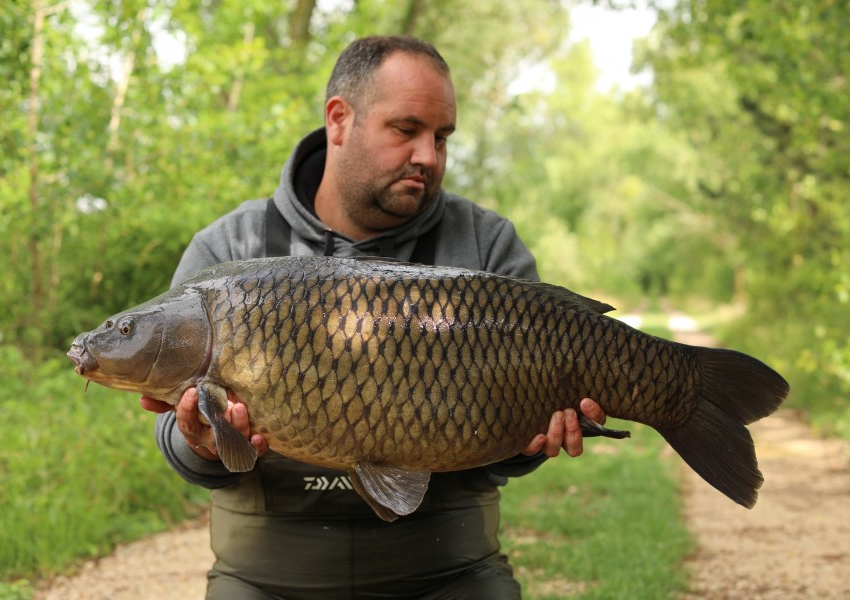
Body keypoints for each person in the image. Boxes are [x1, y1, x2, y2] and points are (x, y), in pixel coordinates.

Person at [141, 35, 606, 600]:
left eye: (441, 138)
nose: (428, 156)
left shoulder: (484, 245)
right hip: (269, 578)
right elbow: (180, 444)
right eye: (406, 130)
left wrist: (529, 441)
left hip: (447, 570)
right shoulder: (230, 251)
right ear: (340, 120)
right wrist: (202, 440)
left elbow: (504, 461)